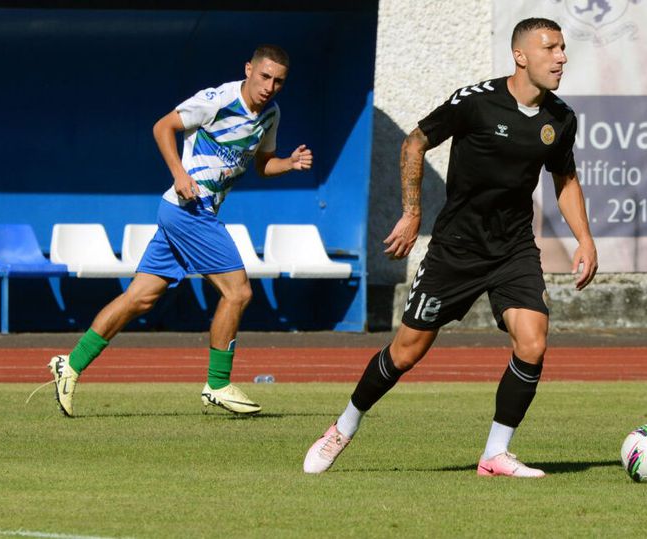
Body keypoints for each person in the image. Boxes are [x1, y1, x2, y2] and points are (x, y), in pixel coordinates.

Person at [303, 18, 597, 477]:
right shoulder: (476, 102)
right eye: (550, 48)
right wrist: (412, 212)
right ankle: (342, 426)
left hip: (513, 249)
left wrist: (585, 238)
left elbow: (565, 179)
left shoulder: (560, 119)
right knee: (406, 352)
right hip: (456, 250)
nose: (561, 57)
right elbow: (415, 142)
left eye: (562, 48)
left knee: (533, 343)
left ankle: (495, 453)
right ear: (520, 56)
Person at [45, 44, 313, 417]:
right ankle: (217, 384)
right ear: (248, 69)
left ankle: (69, 365)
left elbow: (262, 165)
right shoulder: (217, 99)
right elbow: (163, 127)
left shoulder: (270, 114)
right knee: (238, 292)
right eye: (264, 76)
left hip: (182, 213)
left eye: (278, 81)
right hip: (191, 210)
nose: (269, 86)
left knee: (139, 298)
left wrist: (289, 163)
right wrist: (179, 173)